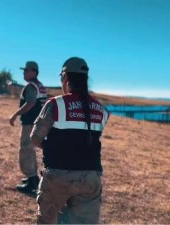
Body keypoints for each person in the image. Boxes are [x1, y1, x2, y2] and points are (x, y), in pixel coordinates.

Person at [30, 57, 110, 224]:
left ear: (65, 78)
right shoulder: (101, 109)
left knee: (48, 220)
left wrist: (50, 148)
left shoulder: (56, 104)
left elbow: (35, 138)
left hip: (58, 174)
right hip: (90, 177)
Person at [9, 61, 47, 193]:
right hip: (37, 123)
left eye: (26, 70)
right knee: (30, 150)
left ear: (34, 72)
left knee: (25, 149)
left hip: (30, 123)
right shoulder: (40, 86)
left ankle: (31, 178)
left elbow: (30, 103)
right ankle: (33, 177)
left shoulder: (31, 86)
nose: (24, 73)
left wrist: (15, 114)